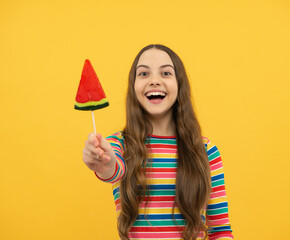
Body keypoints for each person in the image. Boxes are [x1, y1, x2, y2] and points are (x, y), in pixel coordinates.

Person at [82, 44, 234, 240]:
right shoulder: (118, 145)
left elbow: (219, 230)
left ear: (179, 85)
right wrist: (104, 163)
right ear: (133, 86)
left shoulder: (206, 150)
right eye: (144, 74)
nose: (154, 81)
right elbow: (113, 169)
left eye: (166, 73)